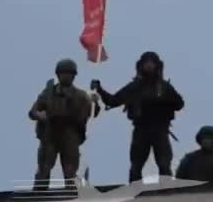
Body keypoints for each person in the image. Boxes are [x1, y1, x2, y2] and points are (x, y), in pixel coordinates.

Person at [91, 51, 184, 183]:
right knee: (136, 166)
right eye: (146, 63)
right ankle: (134, 192)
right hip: (141, 129)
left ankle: (166, 191)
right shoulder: (135, 87)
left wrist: (163, 102)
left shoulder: (164, 87)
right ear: (141, 66)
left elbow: (179, 104)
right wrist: (99, 89)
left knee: (164, 165)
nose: (149, 66)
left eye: (152, 63)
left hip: (160, 129)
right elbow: (113, 101)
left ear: (157, 66)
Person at [29, 58, 95, 193]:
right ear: (58, 74)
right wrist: (41, 116)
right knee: (44, 167)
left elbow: (89, 113)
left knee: (70, 169)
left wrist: (94, 102)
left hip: (69, 132)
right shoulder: (48, 93)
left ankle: (71, 193)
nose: (67, 76)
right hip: (50, 132)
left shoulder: (80, 95)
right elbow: (33, 111)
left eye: (70, 73)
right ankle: (39, 193)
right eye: (64, 73)